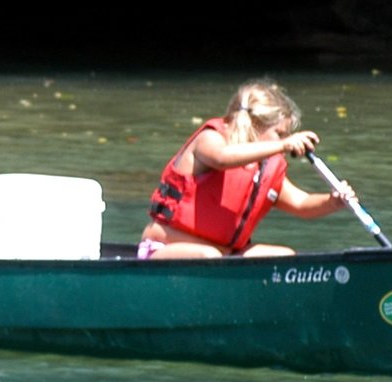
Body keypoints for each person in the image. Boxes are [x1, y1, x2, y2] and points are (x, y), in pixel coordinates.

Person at [136, 79, 354, 259]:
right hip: (164, 251)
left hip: (225, 257)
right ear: (255, 124)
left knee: (284, 256)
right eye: (280, 133)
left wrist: (333, 201)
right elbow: (221, 159)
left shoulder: (265, 168)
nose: (285, 140)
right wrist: (284, 145)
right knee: (209, 256)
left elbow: (301, 204)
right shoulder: (210, 139)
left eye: (286, 136)